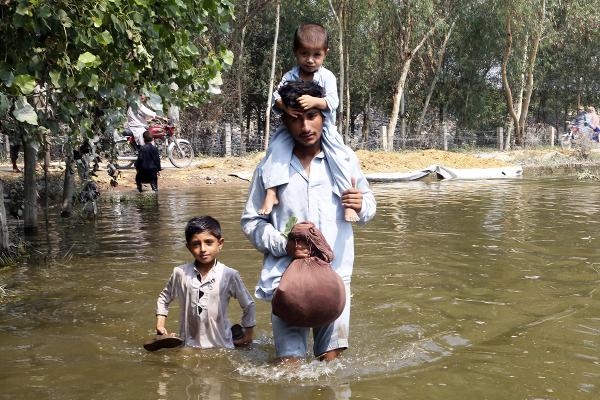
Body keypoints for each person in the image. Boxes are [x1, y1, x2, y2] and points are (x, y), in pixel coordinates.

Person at [241, 80, 376, 362]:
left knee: (330, 361)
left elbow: (369, 208)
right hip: (287, 280)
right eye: (295, 119)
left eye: (311, 116)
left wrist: (361, 204)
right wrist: (283, 245)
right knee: (289, 364)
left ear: (323, 116)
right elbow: (252, 221)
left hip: (335, 274)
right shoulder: (270, 168)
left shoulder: (344, 160)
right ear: (285, 122)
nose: (305, 128)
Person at [258, 23, 359, 223]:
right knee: (274, 153)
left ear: (325, 53)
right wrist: (285, 108)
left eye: (316, 55)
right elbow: (275, 99)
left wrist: (315, 102)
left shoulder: (327, 77)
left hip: (326, 130)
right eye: (304, 54)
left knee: (340, 158)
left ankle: (348, 204)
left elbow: (333, 102)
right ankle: (271, 191)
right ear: (296, 52)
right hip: (289, 130)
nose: (310, 60)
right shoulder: (290, 76)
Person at [154, 216, 256, 349]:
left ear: (220, 244)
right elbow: (164, 298)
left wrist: (248, 336)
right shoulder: (180, 273)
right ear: (188, 247)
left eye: (209, 242)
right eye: (196, 244)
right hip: (188, 345)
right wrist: (160, 325)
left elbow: (249, 305)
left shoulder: (229, 275)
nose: (202, 249)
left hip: (222, 345)